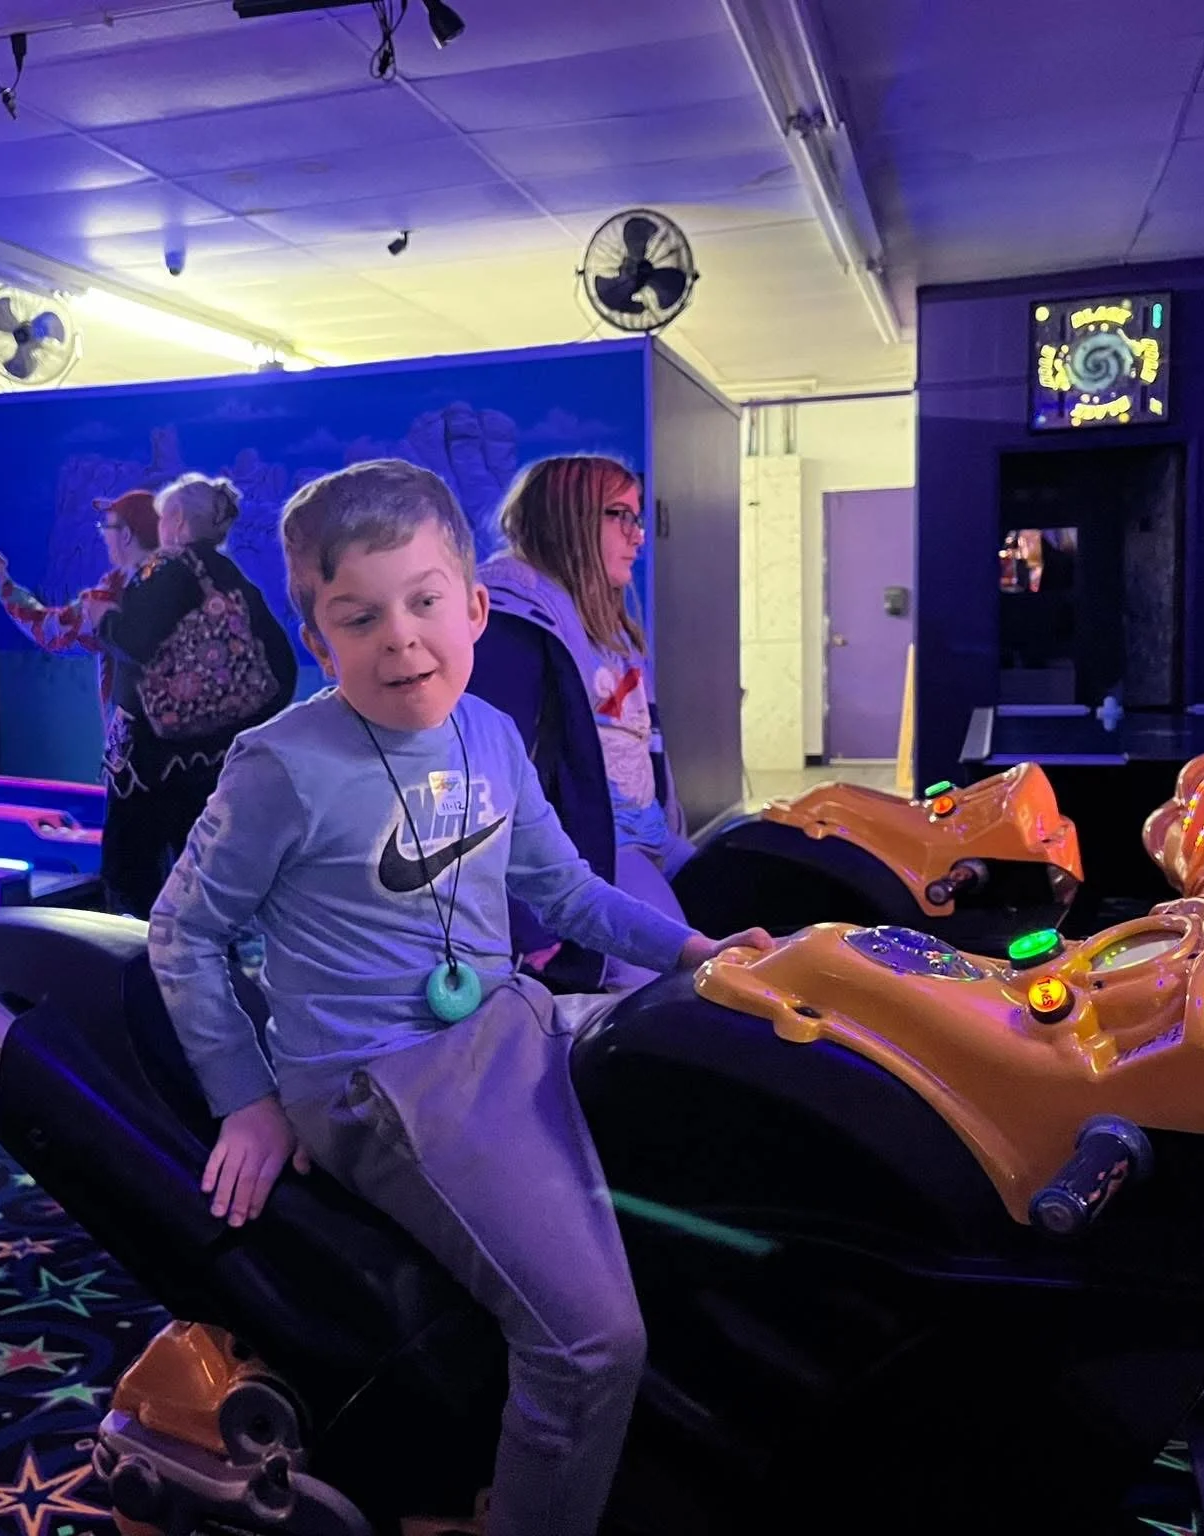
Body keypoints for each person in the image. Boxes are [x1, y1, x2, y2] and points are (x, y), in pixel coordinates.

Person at [148, 459, 771, 1536]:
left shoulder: (487, 732)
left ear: (474, 605)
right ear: (318, 637)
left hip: (504, 1023)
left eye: (425, 600)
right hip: (370, 1079)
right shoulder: (280, 766)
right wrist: (248, 1098)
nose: (400, 637)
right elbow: (184, 931)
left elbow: (560, 889)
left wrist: (693, 955)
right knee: (590, 1342)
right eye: (359, 614)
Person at [471, 455, 695, 992]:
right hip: (589, 870)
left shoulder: (604, 623)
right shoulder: (511, 629)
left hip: (641, 848)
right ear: (566, 519)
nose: (637, 536)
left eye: (637, 517)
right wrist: (527, 924)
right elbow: (485, 786)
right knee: (662, 1003)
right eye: (620, 515)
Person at [91, 473, 296, 917]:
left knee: (134, 876)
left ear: (178, 520)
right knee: (203, 875)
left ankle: (137, 970)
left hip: (149, 764)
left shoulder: (166, 568)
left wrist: (103, 619)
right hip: (213, 763)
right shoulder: (231, 577)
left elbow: (135, 640)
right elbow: (280, 667)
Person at [0, 485, 161, 711]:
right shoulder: (184, 575)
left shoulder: (111, 594)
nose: (104, 535)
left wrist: (3, 581)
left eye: (107, 526)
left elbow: (51, 630)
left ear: (125, 535)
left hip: (135, 735)